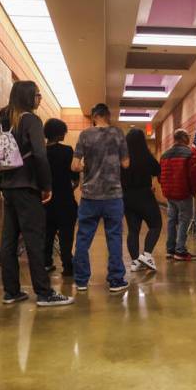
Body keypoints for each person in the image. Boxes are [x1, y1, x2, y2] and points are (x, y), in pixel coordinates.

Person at [0, 81, 74, 307]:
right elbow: (40, 155)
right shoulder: (30, 120)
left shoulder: (2, 119)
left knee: (9, 240)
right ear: (28, 96)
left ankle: (11, 291)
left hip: (7, 185)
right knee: (35, 239)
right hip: (27, 186)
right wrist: (46, 186)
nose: (39, 98)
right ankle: (44, 292)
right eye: (37, 95)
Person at [72, 103, 130, 292]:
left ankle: (81, 280)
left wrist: (87, 167)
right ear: (107, 115)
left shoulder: (85, 135)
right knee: (114, 237)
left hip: (90, 196)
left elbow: (74, 166)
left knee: (83, 238)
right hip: (113, 195)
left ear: (94, 116)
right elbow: (126, 163)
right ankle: (115, 280)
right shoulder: (118, 134)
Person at [121, 128, 162, 272]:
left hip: (126, 197)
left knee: (133, 230)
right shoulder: (146, 156)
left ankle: (134, 262)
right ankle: (147, 254)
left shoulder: (123, 157)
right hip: (144, 195)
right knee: (156, 224)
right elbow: (158, 170)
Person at [42, 117, 79, 277]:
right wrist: (75, 183)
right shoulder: (67, 151)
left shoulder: (40, 152)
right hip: (65, 199)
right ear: (59, 134)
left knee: (47, 234)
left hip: (45, 200)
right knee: (66, 234)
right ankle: (67, 266)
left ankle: (46, 263)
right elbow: (74, 175)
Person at [160, 128, 196, 260]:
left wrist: (166, 190)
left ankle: (170, 249)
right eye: (187, 136)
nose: (189, 139)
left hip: (169, 194)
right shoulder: (189, 153)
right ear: (183, 138)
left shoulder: (165, 155)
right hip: (183, 193)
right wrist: (193, 191)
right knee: (184, 219)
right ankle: (180, 250)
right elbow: (193, 175)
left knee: (171, 220)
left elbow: (161, 176)